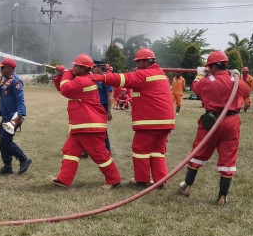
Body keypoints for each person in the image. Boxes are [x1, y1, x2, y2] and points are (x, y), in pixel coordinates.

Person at [92, 48, 175, 188]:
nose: (136, 65)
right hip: (166, 122)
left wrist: (101, 77)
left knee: (140, 149)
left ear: (146, 62)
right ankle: (161, 181)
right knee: (157, 152)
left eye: (138, 62)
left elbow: (122, 79)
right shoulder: (161, 75)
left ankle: (142, 180)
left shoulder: (144, 75)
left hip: (150, 122)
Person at [178, 51, 252, 205]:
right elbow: (247, 92)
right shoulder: (235, 79)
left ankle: (187, 186)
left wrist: (199, 75)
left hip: (211, 121)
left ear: (211, 67)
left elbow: (196, 88)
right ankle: (222, 196)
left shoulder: (208, 80)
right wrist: (238, 77)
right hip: (231, 121)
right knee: (228, 157)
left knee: (198, 152)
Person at [50, 54, 121, 189]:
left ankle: (114, 180)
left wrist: (67, 72)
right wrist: (60, 75)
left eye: (76, 66)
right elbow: (63, 89)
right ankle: (64, 180)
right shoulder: (82, 79)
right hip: (82, 126)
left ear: (83, 68)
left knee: (100, 155)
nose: (74, 67)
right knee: (70, 151)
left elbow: (66, 89)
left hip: (89, 126)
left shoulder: (83, 81)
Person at [0, 58, 31, 175]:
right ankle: (7, 166)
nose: (0, 70)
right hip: (5, 115)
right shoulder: (4, 80)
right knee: (1, 141)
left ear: (9, 69)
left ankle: (23, 158)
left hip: (13, 116)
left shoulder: (16, 82)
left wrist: (20, 115)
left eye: (2, 67)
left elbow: (20, 100)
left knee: (6, 141)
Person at [91, 60, 113, 152]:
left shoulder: (105, 79)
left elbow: (109, 96)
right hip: (93, 106)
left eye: (94, 67)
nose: (92, 69)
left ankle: (107, 150)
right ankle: (87, 149)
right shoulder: (94, 78)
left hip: (102, 107)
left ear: (99, 67)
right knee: (90, 128)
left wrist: (109, 111)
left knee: (102, 129)